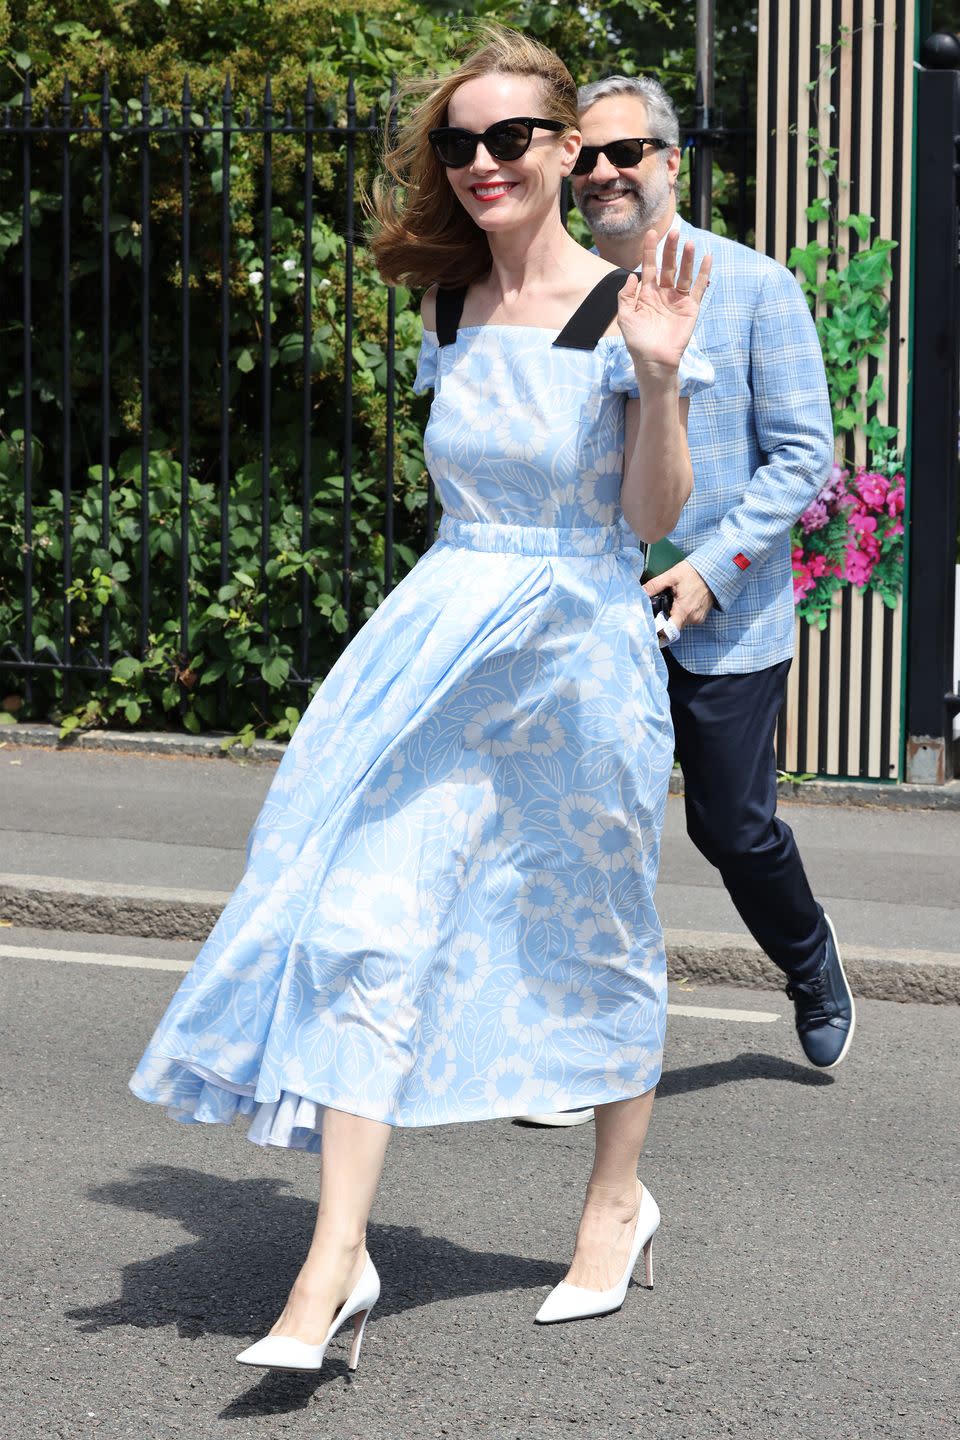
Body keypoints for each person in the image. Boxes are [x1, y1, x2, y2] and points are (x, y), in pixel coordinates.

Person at [129, 27, 713, 1368]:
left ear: (568, 148)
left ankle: (616, 1203)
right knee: (363, 923)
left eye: (511, 138)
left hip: (575, 654)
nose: (482, 164)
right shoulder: (448, 309)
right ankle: (333, 1264)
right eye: (459, 143)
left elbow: (651, 519)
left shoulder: (623, 307)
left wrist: (666, 384)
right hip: (443, 642)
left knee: (598, 927)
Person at [521, 74, 851, 1133]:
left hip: (727, 616)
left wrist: (712, 566)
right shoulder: (566, 300)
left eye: (629, 154)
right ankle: (590, 1049)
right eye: (589, 157)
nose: (607, 173)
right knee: (592, 831)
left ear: (671, 163)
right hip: (593, 615)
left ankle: (808, 960)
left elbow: (805, 455)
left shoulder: (753, 288)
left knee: (731, 826)